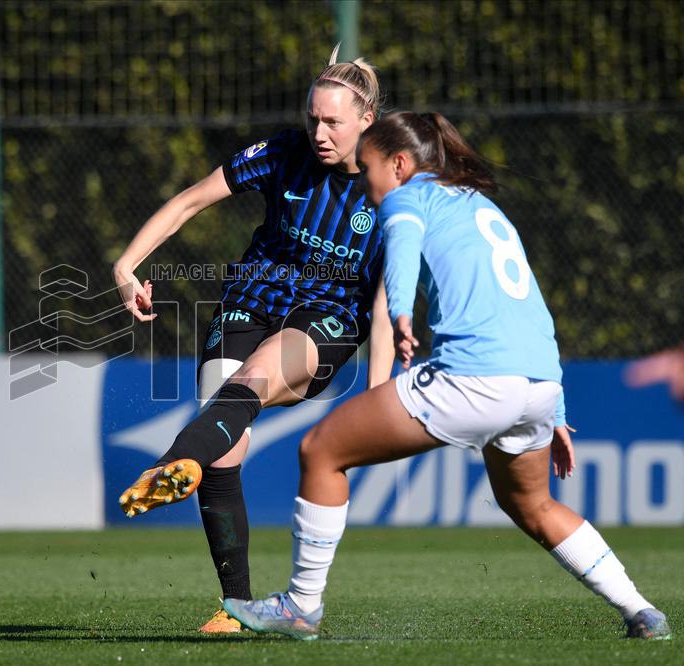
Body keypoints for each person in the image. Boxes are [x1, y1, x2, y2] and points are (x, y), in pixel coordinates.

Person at [223, 111, 672, 641]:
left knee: (321, 449)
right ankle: (642, 610)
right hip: (538, 384)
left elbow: (403, 252)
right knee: (531, 503)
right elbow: (532, 308)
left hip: (474, 378)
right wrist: (558, 414)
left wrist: (400, 315)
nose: (364, 181)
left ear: (399, 163)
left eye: (367, 167)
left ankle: (300, 606)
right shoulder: (482, 207)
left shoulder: (408, 196)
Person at [112, 46, 395, 633]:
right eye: (313, 117)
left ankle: (173, 461)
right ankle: (234, 607)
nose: (319, 131)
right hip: (250, 301)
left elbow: (387, 302)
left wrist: (379, 395)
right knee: (226, 447)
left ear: (366, 120)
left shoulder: (392, 185)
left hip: (328, 319)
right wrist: (126, 265)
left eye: (333, 121)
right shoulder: (284, 153)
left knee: (252, 378)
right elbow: (190, 202)